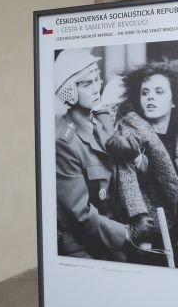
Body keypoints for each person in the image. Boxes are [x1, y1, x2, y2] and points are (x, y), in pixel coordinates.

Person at [54, 48, 154, 261]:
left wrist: (137, 159)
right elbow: (80, 214)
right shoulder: (65, 142)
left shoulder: (102, 123)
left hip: (115, 238)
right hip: (84, 245)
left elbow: (133, 170)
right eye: (87, 84)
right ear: (69, 90)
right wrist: (127, 233)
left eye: (97, 79)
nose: (96, 88)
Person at [107, 60, 178, 269]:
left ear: (174, 100)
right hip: (153, 227)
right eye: (145, 92)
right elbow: (126, 176)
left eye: (159, 91)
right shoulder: (131, 127)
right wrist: (139, 218)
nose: (150, 97)